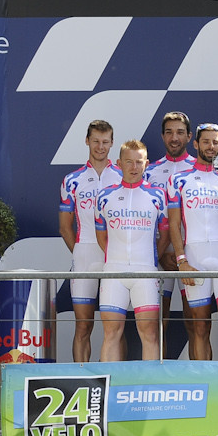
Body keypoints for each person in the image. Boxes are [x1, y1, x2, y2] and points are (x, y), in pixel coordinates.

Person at [168, 124, 218, 360]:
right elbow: (173, 225)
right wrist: (181, 261)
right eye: (206, 141)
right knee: (200, 327)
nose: (211, 146)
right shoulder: (178, 179)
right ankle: (203, 378)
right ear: (196, 144)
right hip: (194, 257)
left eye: (215, 142)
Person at [94, 140, 164, 361]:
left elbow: (165, 235)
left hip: (146, 272)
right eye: (129, 162)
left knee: (150, 334)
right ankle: (109, 381)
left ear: (147, 164)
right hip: (113, 272)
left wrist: (151, 260)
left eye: (139, 162)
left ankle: (150, 381)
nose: (134, 167)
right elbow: (101, 236)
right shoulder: (104, 196)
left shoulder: (158, 195)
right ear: (119, 163)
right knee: (111, 334)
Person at [58, 119, 117, 363]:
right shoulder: (72, 180)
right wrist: (80, 252)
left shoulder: (122, 176)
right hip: (84, 256)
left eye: (105, 142)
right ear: (87, 141)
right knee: (83, 325)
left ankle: (115, 378)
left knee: (114, 326)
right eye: (95, 141)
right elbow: (65, 227)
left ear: (112, 143)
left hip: (115, 257)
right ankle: (80, 376)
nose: (100, 147)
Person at [146, 111, 197, 356]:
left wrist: (181, 256)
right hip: (159, 256)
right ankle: (159, 374)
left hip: (191, 256)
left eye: (179, 132)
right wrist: (160, 254)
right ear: (162, 136)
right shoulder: (149, 171)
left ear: (189, 136)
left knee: (195, 322)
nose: (174, 138)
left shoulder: (199, 169)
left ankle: (199, 375)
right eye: (169, 132)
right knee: (158, 324)